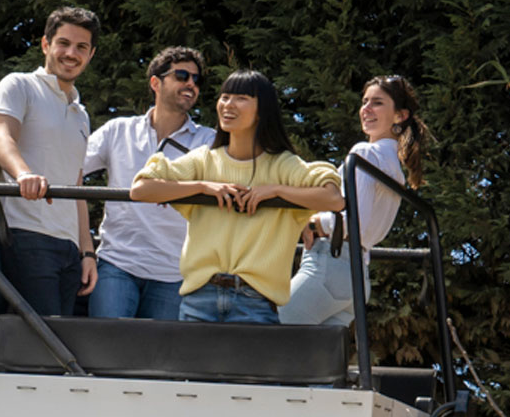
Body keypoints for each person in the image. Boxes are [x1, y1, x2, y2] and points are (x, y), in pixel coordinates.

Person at [130, 70, 343, 323]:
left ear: (262, 110)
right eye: (225, 97)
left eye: (241, 98)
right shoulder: (204, 160)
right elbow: (141, 189)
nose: (228, 105)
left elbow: (333, 199)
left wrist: (275, 191)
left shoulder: (282, 166)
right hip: (198, 297)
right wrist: (203, 187)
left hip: (256, 301)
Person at [280, 75, 431, 326]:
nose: (367, 109)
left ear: (400, 115)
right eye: (365, 101)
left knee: (264, 335)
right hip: (357, 275)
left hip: (329, 264)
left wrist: (315, 222)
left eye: (378, 103)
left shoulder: (365, 154)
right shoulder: (393, 164)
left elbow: (354, 222)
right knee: (317, 362)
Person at [82, 47, 216, 319]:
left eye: (196, 79)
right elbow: (70, 168)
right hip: (116, 264)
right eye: (181, 75)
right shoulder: (118, 130)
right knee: (107, 355)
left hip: (173, 274)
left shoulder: (209, 141)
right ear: (156, 82)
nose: (191, 83)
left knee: (157, 361)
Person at [0, 6, 99, 316]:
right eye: (63, 43)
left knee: (56, 338)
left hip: (67, 247)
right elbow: (1, 137)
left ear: (90, 55)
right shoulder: (19, 85)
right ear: (46, 44)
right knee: (42, 340)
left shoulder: (81, 113)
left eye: (81, 47)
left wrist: (86, 251)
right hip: (24, 233)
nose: (71, 53)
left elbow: (76, 184)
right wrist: (24, 175)